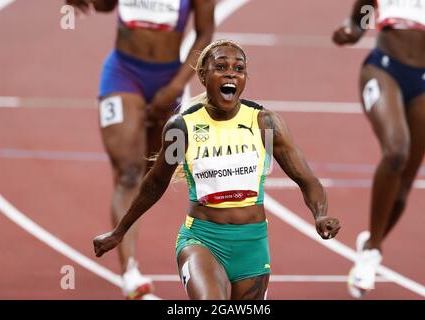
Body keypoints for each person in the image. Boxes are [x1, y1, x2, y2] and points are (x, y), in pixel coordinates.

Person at [92, 39, 341, 300]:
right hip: (202, 240)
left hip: (252, 245)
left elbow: (306, 178)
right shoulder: (183, 127)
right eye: (221, 66)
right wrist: (120, 231)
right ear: (203, 75)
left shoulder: (265, 123)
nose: (231, 73)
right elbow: (155, 183)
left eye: (239, 68)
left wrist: (320, 215)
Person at [66, 0, 215, 299]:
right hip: (123, 73)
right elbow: (107, 5)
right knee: (128, 172)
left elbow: (204, 33)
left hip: (169, 78)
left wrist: (175, 87)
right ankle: (129, 271)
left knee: (151, 173)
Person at [332, 0, 425, 298]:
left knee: (403, 188)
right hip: (382, 70)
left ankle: (370, 246)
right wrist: (349, 32)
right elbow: (362, 20)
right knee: (396, 151)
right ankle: (372, 253)